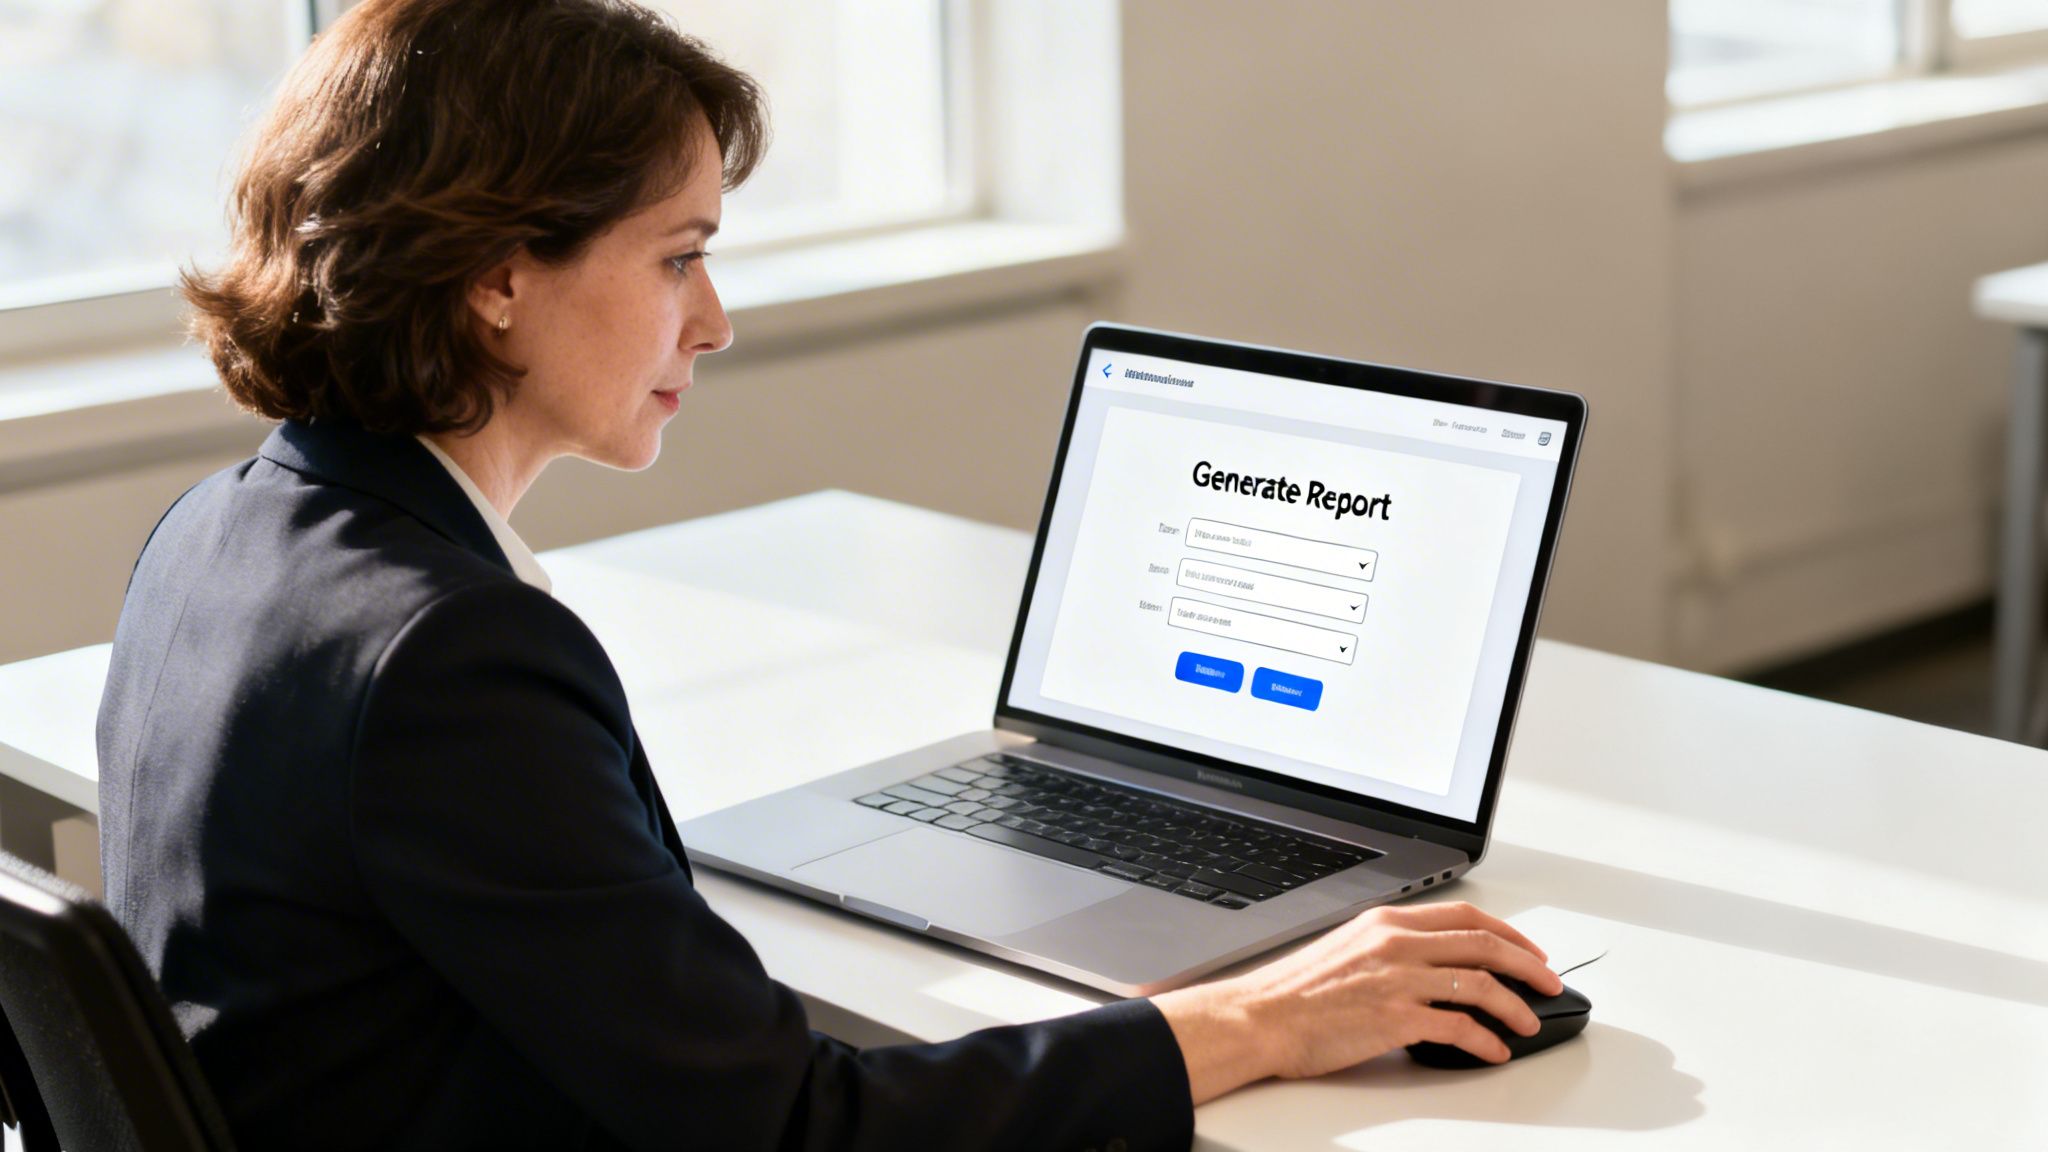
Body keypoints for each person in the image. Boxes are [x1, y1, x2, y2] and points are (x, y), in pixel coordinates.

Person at [95, 1, 1563, 1148]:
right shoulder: (452, 658)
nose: (715, 321)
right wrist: (1256, 1019)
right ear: (495, 279)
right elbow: (793, 1128)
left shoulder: (222, 536)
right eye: (679, 257)